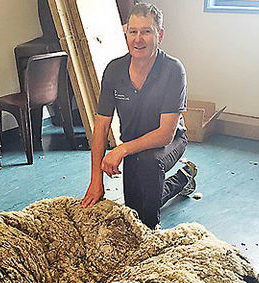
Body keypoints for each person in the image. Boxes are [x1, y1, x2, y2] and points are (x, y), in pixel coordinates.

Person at [80, 2, 197, 229]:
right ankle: (184, 177)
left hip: (169, 142)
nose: (138, 39)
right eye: (133, 31)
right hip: (134, 144)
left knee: (148, 178)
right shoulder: (114, 70)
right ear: (126, 33)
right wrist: (96, 180)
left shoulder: (173, 70)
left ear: (159, 35)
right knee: (137, 207)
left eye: (146, 31)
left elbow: (165, 134)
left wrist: (121, 150)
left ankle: (151, 234)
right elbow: (102, 126)